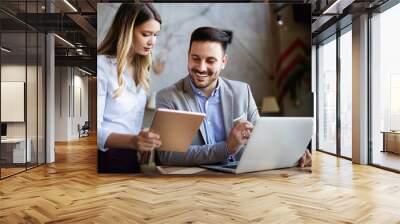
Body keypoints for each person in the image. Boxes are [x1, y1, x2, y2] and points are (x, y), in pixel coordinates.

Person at [156, 26, 312, 167]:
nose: (201, 67)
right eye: (195, 58)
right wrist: (226, 148)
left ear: (223, 62)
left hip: (239, 180)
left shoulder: (242, 91)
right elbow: (168, 155)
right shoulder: (168, 97)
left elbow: (261, 136)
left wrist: (291, 150)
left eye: (210, 61)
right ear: (188, 56)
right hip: (192, 185)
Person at [97, 3, 162, 173]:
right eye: (146, 34)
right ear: (127, 30)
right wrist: (133, 141)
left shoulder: (142, 69)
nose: (152, 42)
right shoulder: (102, 66)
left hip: (131, 158)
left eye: (156, 35)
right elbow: (94, 132)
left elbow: (130, 122)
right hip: (106, 159)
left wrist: (143, 141)